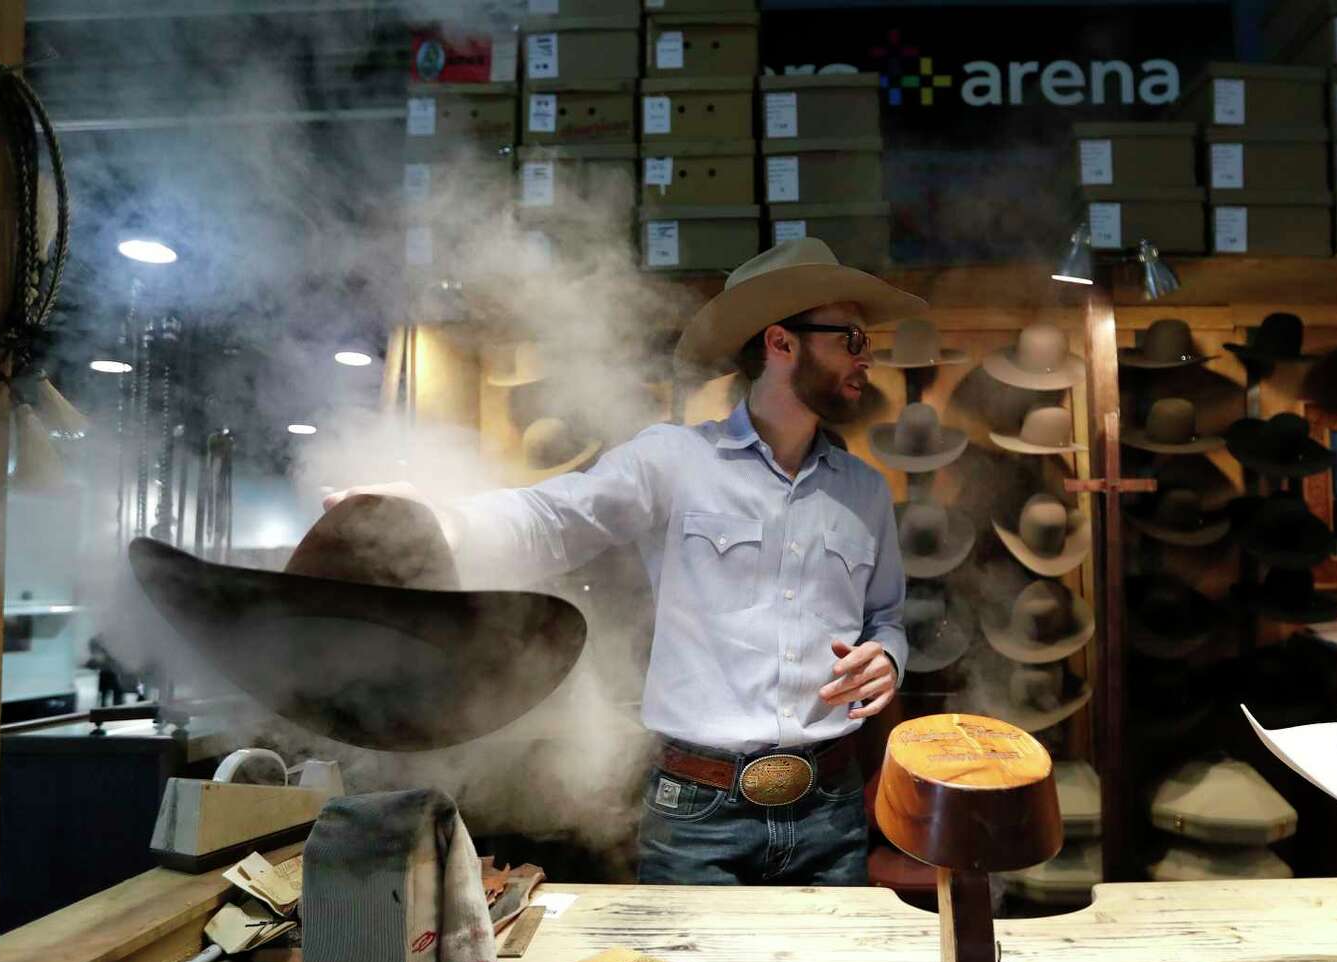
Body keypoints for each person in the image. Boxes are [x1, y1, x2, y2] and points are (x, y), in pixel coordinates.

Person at [327, 238, 925, 884]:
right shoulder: (673, 461)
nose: (867, 358)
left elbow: (886, 615)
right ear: (781, 344)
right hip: (700, 818)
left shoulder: (864, 492)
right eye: (852, 340)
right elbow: (559, 517)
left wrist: (888, 656)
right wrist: (443, 522)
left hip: (829, 813)